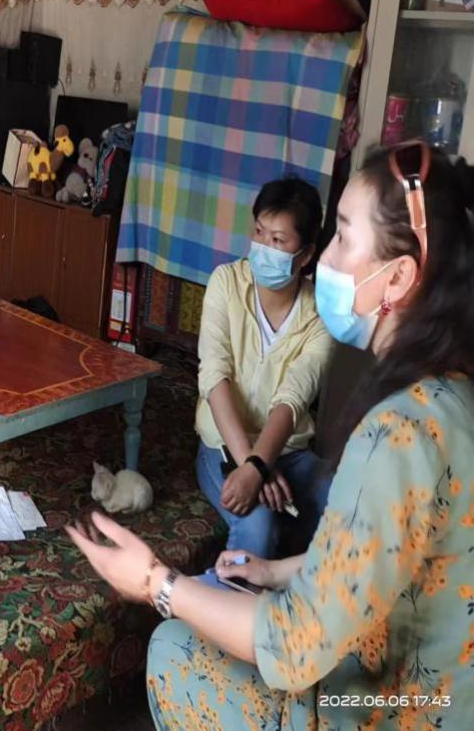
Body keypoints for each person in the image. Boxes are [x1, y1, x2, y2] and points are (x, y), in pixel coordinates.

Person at [67, 141, 474, 728]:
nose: (328, 257)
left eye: (343, 237)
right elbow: (371, 556)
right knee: (262, 536)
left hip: (386, 709)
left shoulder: (394, 434)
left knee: (173, 647)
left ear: (399, 276)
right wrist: (275, 571)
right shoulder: (454, 395)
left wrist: (157, 582)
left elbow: (294, 646)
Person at [195, 177, 333, 564]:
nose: (262, 247)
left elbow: (293, 398)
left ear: (305, 254)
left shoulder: (321, 315)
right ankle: (238, 603)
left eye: (278, 240)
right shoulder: (225, 283)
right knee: (257, 525)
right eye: (259, 232)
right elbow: (214, 376)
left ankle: (307, 594)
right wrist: (252, 465)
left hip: (290, 452)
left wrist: (261, 463)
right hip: (223, 446)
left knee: (343, 496)